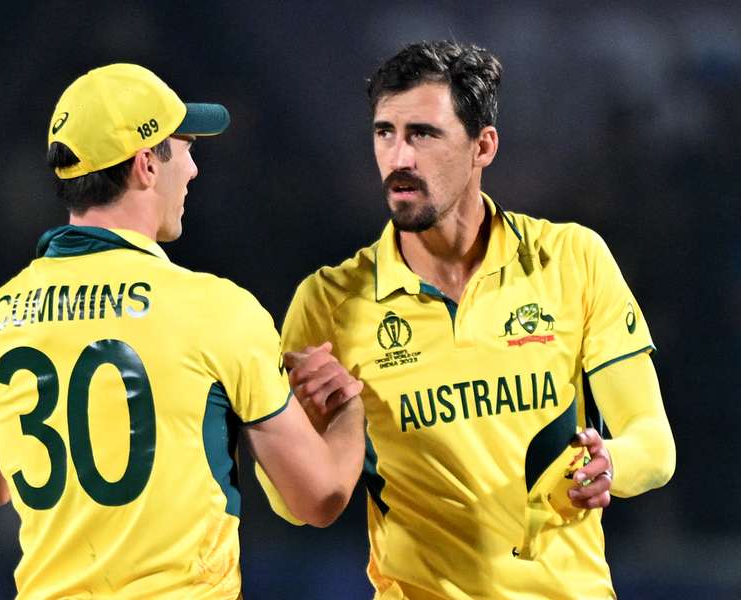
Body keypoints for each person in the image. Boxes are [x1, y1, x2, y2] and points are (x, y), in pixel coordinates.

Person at [261, 41, 676, 598]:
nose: (399, 158)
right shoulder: (329, 301)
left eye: (423, 135)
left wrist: (611, 464)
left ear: (483, 146)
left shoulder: (572, 259)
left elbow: (654, 444)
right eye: (385, 133)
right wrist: (305, 430)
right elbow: (291, 508)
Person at [0, 63, 365, 599]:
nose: (194, 169)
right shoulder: (216, 310)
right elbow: (320, 497)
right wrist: (346, 411)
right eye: (185, 146)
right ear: (146, 164)